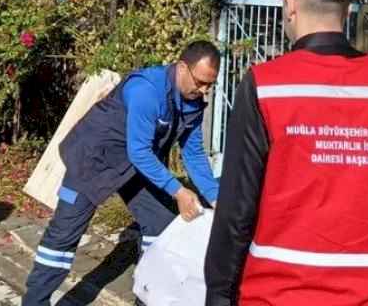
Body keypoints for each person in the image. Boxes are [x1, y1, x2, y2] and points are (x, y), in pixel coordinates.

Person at [206, 0, 368, 306]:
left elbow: (237, 210)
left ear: (289, 5)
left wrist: (218, 293)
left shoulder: (267, 86)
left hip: (278, 292)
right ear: (347, 10)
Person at [21, 41, 222, 306]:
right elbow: (139, 151)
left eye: (210, 85)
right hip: (93, 160)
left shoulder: (193, 102)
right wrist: (178, 191)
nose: (204, 91)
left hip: (135, 168)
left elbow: (193, 154)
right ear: (182, 67)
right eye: (200, 82)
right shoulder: (146, 90)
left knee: (161, 226)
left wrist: (216, 198)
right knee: (62, 237)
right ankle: (35, 302)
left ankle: (148, 296)